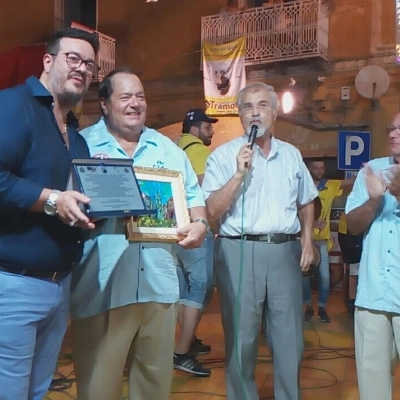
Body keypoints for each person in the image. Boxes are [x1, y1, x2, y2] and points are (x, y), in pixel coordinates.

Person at [69, 67, 208, 400]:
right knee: (98, 388)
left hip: (158, 287)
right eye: (126, 97)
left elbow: (193, 197)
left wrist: (200, 224)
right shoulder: (81, 146)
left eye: (141, 97)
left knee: (153, 387)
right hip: (102, 288)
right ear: (104, 104)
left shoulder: (169, 150)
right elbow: (63, 205)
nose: (136, 104)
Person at [0, 27, 99, 400]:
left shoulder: (75, 132)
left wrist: (100, 200)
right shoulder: (13, 105)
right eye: (73, 58)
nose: (82, 68)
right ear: (48, 60)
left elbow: (72, 203)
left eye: (89, 65)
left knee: (37, 391)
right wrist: (52, 200)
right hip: (13, 283)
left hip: (59, 287)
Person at [202, 82, 317, 400]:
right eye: (247, 107)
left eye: (262, 105)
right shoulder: (223, 156)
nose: (255, 112)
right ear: (239, 115)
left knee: (290, 340)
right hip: (238, 250)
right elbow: (211, 211)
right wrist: (238, 174)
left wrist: (307, 241)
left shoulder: (292, 155)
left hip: (284, 251)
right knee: (242, 341)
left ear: (275, 112)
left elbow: (307, 201)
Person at [346, 114, 400, 400]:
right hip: (373, 295)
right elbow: (353, 225)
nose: (393, 133)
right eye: (392, 127)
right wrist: (374, 200)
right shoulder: (373, 171)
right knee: (373, 386)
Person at [173, 109, 218, 376]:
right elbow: (204, 195)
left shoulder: (175, 149)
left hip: (174, 230)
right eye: (207, 127)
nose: (211, 131)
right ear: (195, 130)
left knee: (182, 288)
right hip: (195, 228)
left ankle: (187, 339)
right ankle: (181, 353)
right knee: (200, 287)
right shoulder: (199, 152)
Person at [303, 159, 354, 323]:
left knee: (325, 277)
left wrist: (368, 171)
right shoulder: (303, 186)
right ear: (309, 169)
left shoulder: (330, 185)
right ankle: (309, 308)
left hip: (323, 241)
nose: (319, 170)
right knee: (304, 277)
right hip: (306, 240)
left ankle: (322, 308)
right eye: (315, 167)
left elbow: (349, 181)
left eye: (321, 168)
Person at [337, 210, 363, 317]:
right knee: (353, 270)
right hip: (349, 233)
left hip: (362, 231)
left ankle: (357, 302)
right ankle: (352, 303)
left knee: (359, 270)